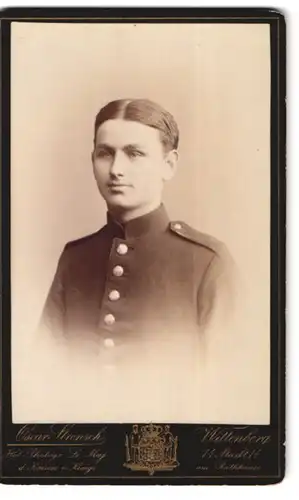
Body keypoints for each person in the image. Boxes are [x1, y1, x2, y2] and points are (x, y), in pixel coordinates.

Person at [37, 98, 236, 420]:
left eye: (135, 153)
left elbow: (229, 387)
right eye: (105, 153)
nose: (116, 169)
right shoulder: (75, 258)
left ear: (169, 165)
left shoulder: (207, 262)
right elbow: (42, 375)